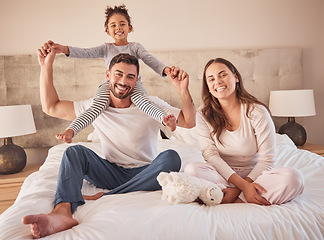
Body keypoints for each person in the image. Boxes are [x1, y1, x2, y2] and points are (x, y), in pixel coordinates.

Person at [22, 47, 195, 238]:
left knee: (171, 157)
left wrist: (183, 90)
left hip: (146, 172)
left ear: (137, 81)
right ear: (108, 75)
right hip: (110, 172)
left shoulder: (150, 103)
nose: (123, 81)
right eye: (118, 74)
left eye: (130, 77)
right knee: (74, 152)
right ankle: (61, 213)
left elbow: (189, 121)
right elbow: (51, 106)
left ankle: (107, 196)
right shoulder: (95, 105)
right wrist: (46, 67)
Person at [44, 4, 178, 144]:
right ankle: (71, 131)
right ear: (108, 31)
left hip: (134, 84)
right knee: (95, 107)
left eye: (122, 24)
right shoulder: (106, 48)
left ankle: (165, 120)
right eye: (113, 25)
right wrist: (64, 49)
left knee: (144, 101)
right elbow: (86, 52)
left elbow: (150, 60)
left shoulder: (135, 47)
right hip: (109, 85)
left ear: (129, 28)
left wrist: (166, 70)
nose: (118, 28)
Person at [184, 58, 304, 205]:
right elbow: (210, 156)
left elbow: (267, 160)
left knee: (294, 178)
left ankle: (227, 197)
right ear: (208, 87)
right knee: (192, 170)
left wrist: (240, 188)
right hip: (222, 175)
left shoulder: (257, 111)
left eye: (223, 75)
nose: (218, 81)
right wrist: (243, 186)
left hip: (255, 175)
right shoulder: (203, 114)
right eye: (211, 79)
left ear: (235, 77)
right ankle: (246, 197)